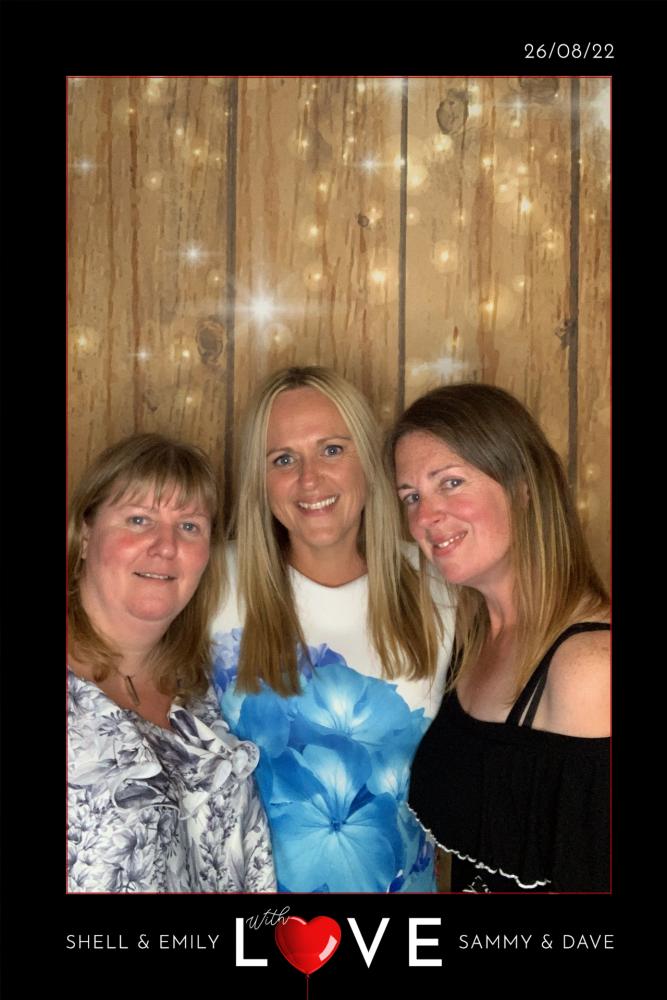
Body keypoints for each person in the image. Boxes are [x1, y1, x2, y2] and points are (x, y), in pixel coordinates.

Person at [211, 366, 455, 892]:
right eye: (283, 459)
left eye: (332, 449)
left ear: (368, 459)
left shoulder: (439, 586)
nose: (309, 479)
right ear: (260, 480)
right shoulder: (212, 583)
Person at [388, 383, 610, 892]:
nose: (425, 517)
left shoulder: (590, 667)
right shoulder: (470, 640)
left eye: (451, 482)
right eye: (412, 497)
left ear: (525, 487)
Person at [67, 432, 275, 893]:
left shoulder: (201, 690)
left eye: (189, 526)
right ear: (84, 536)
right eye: (138, 519)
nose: (165, 545)